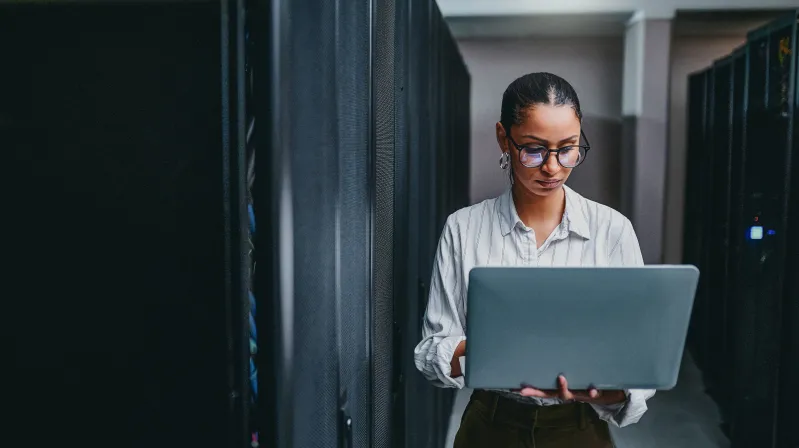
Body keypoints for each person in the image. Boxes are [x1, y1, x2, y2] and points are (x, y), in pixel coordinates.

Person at [413, 72, 656, 448]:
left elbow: (638, 360)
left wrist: (606, 393)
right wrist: (482, 352)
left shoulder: (612, 230)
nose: (553, 167)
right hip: (490, 424)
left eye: (568, 148)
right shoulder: (463, 228)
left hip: (579, 427)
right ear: (503, 139)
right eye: (534, 148)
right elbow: (432, 351)